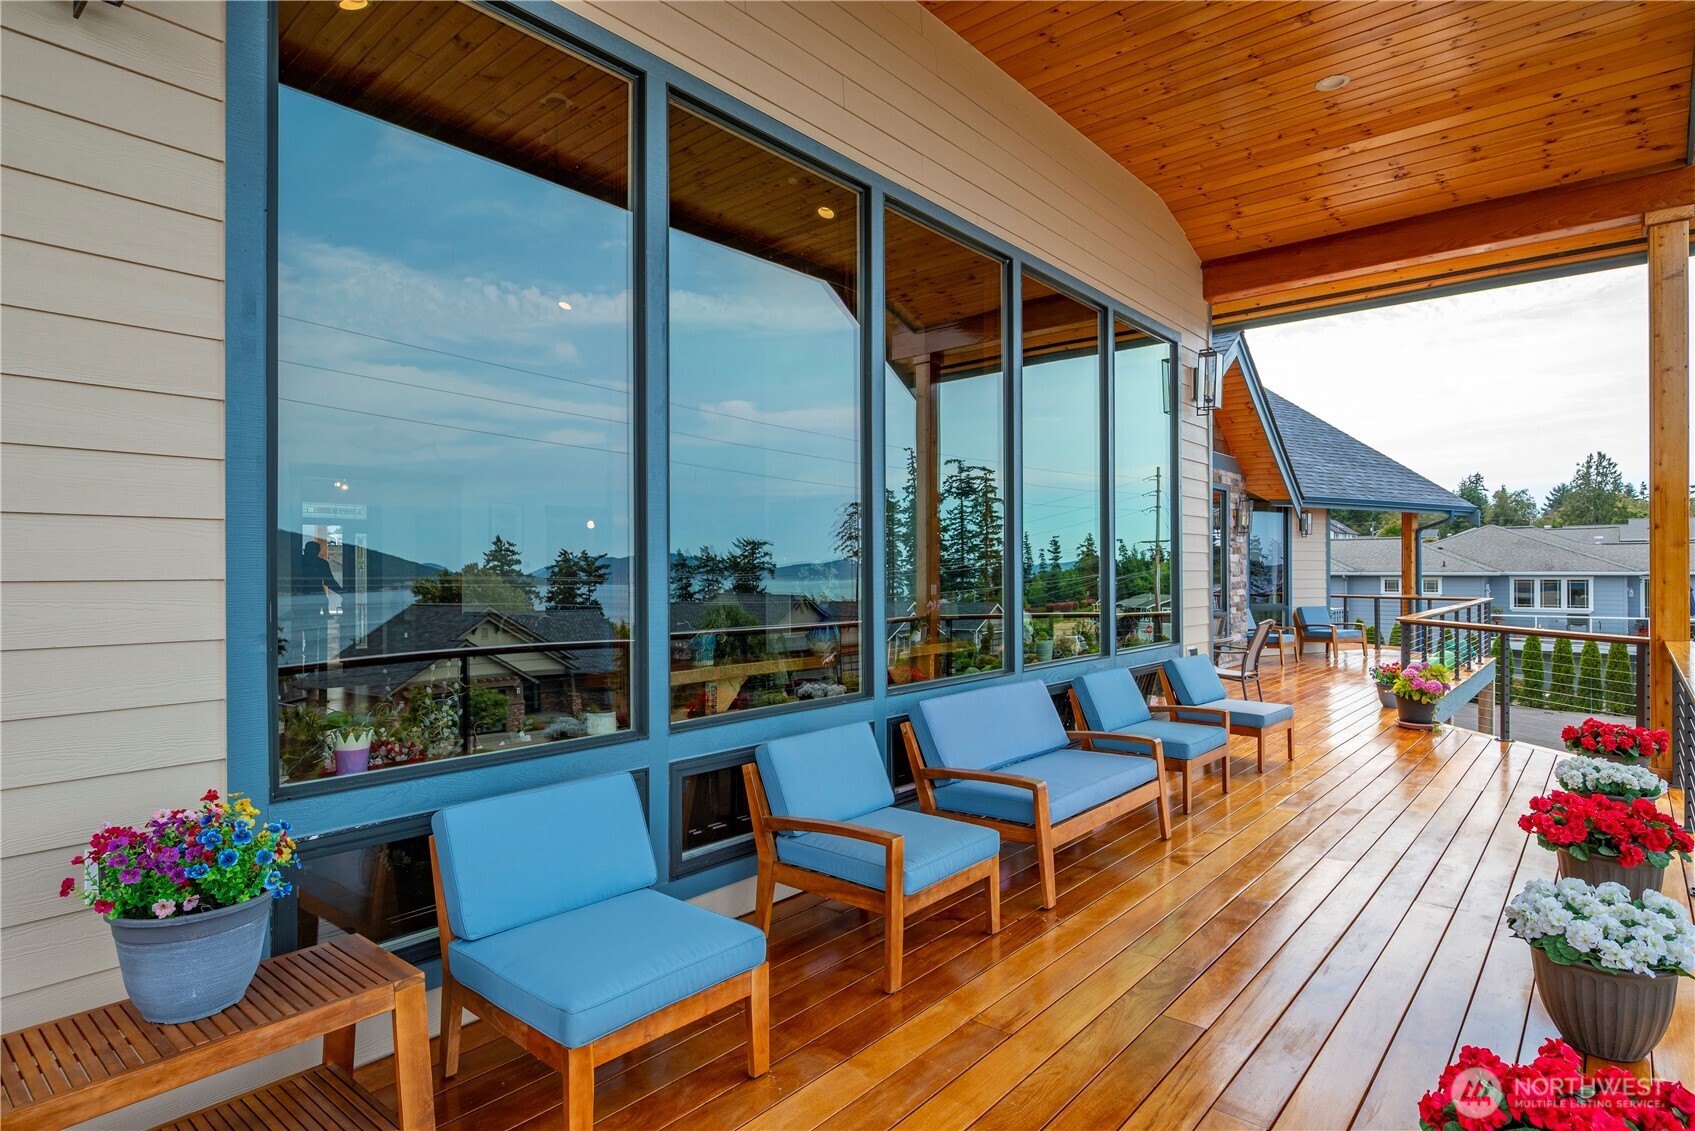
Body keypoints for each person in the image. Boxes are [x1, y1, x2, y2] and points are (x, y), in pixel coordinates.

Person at [297, 538, 344, 665]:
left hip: (304, 601)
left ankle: (308, 664)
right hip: (317, 602)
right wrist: (343, 592)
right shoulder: (320, 563)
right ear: (318, 552)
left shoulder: (298, 562)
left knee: (306, 633)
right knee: (318, 634)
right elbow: (329, 581)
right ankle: (317, 664)